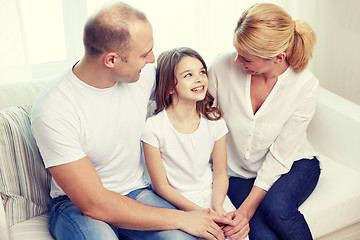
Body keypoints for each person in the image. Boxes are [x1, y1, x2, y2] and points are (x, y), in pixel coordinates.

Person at [31, 2, 232, 240]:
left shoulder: (142, 74)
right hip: (76, 206)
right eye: (145, 53)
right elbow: (94, 204)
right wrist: (183, 217)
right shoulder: (54, 108)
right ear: (111, 60)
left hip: (136, 192)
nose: (152, 60)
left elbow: (185, 81)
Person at [208, 3, 320, 240]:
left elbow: (281, 155)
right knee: (261, 235)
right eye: (237, 51)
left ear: (278, 57)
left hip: (292, 163)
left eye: (247, 58)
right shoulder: (221, 66)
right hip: (238, 171)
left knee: (276, 208)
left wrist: (247, 209)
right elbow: (203, 119)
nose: (237, 61)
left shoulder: (305, 86)